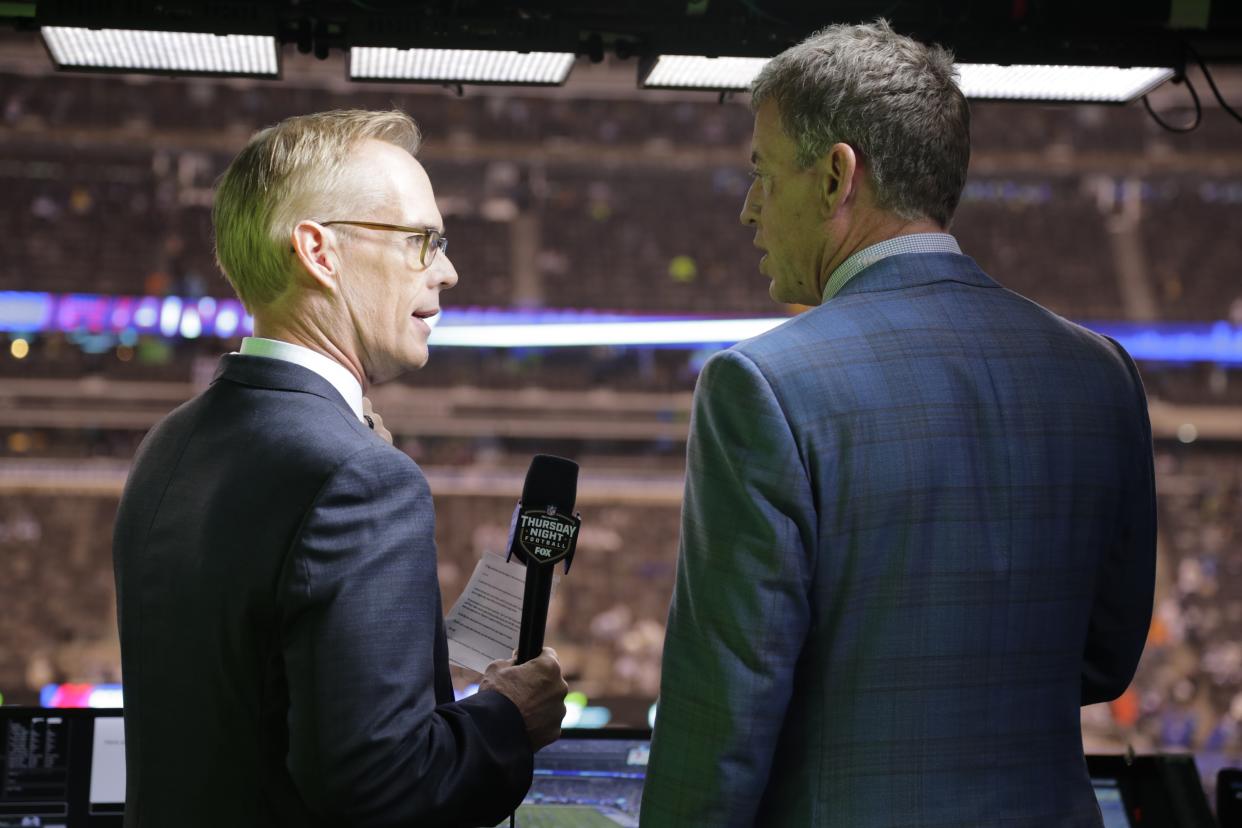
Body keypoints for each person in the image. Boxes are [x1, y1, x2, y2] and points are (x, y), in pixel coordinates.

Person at [641, 21, 1155, 828]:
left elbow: (722, 724)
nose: (749, 210)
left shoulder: (764, 384)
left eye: (763, 174)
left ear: (837, 176)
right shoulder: (1102, 373)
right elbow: (1105, 659)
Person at [113, 110, 568, 827]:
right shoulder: (358, 479)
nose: (447, 270)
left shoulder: (169, 443)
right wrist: (509, 717)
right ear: (320, 253)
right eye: (423, 241)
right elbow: (382, 791)